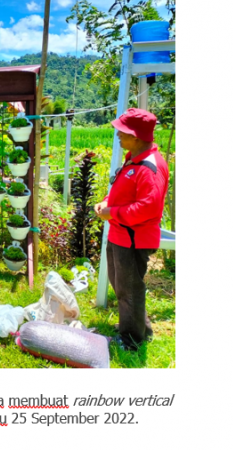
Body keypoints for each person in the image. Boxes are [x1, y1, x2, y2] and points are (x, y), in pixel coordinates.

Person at [94, 108, 169, 351]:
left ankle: (131, 340)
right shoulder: (134, 158)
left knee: (130, 290)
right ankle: (138, 325)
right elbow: (125, 192)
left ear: (136, 136)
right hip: (120, 234)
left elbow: (148, 207)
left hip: (133, 238)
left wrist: (112, 213)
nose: (118, 135)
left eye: (122, 132)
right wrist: (107, 201)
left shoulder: (149, 167)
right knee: (121, 284)